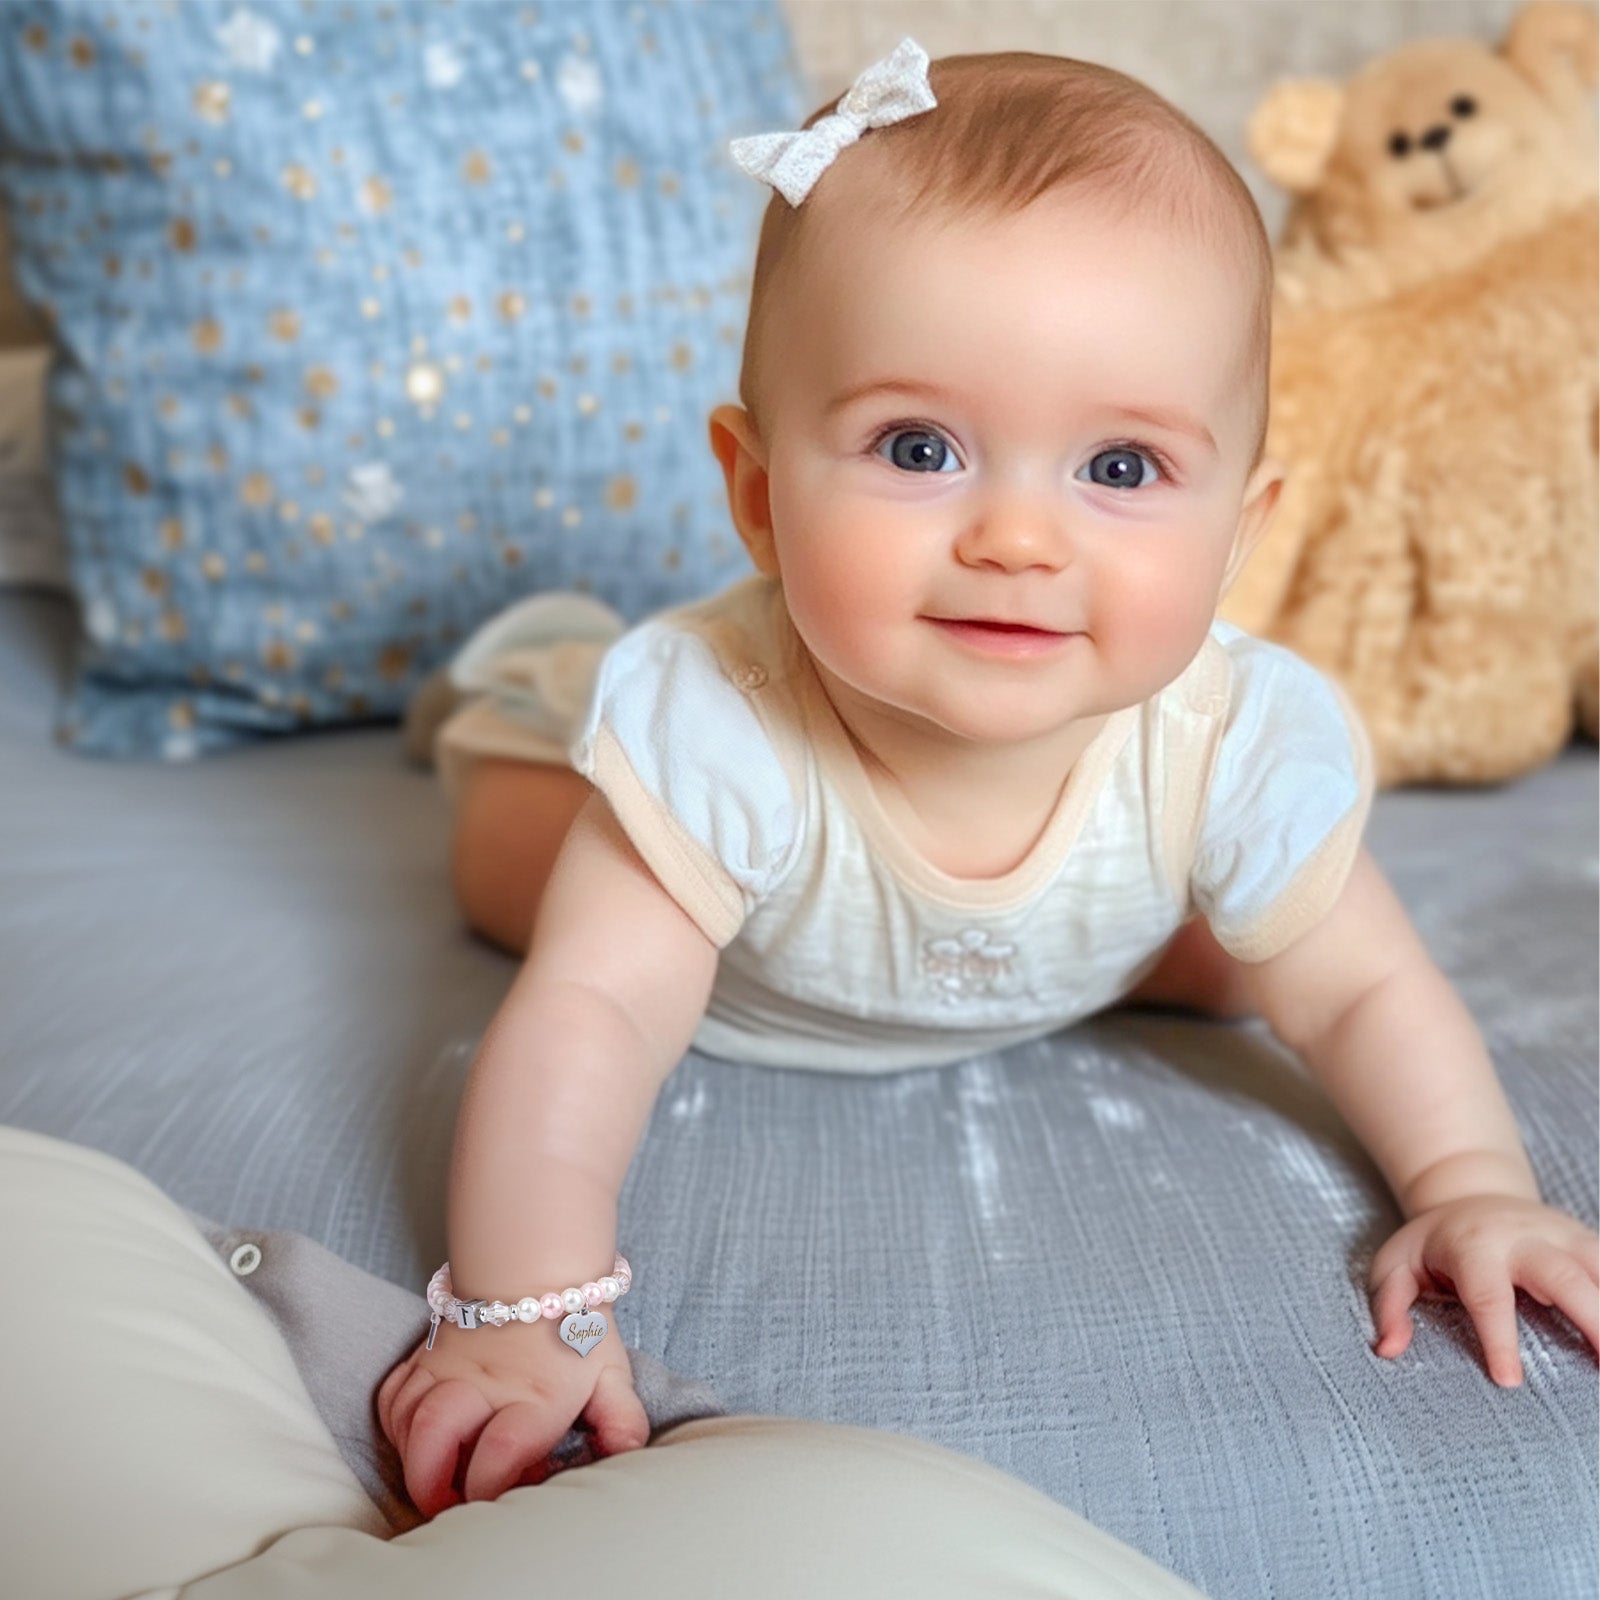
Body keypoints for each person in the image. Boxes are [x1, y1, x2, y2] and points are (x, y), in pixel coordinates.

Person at [380, 41, 1600, 1521]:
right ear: (758, 493)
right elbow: (597, 1009)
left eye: (1122, 469)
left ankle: (1057, 932)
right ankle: (530, 673)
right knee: (516, 865)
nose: (1018, 540)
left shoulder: (1224, 742)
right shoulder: (725, 728)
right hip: (748, 948)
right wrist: (523, 1308)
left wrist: (1473, 1186)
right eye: (920, 447)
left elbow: (1363, 994)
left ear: (1240, 527)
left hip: (1060, 941)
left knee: (1270, 952)